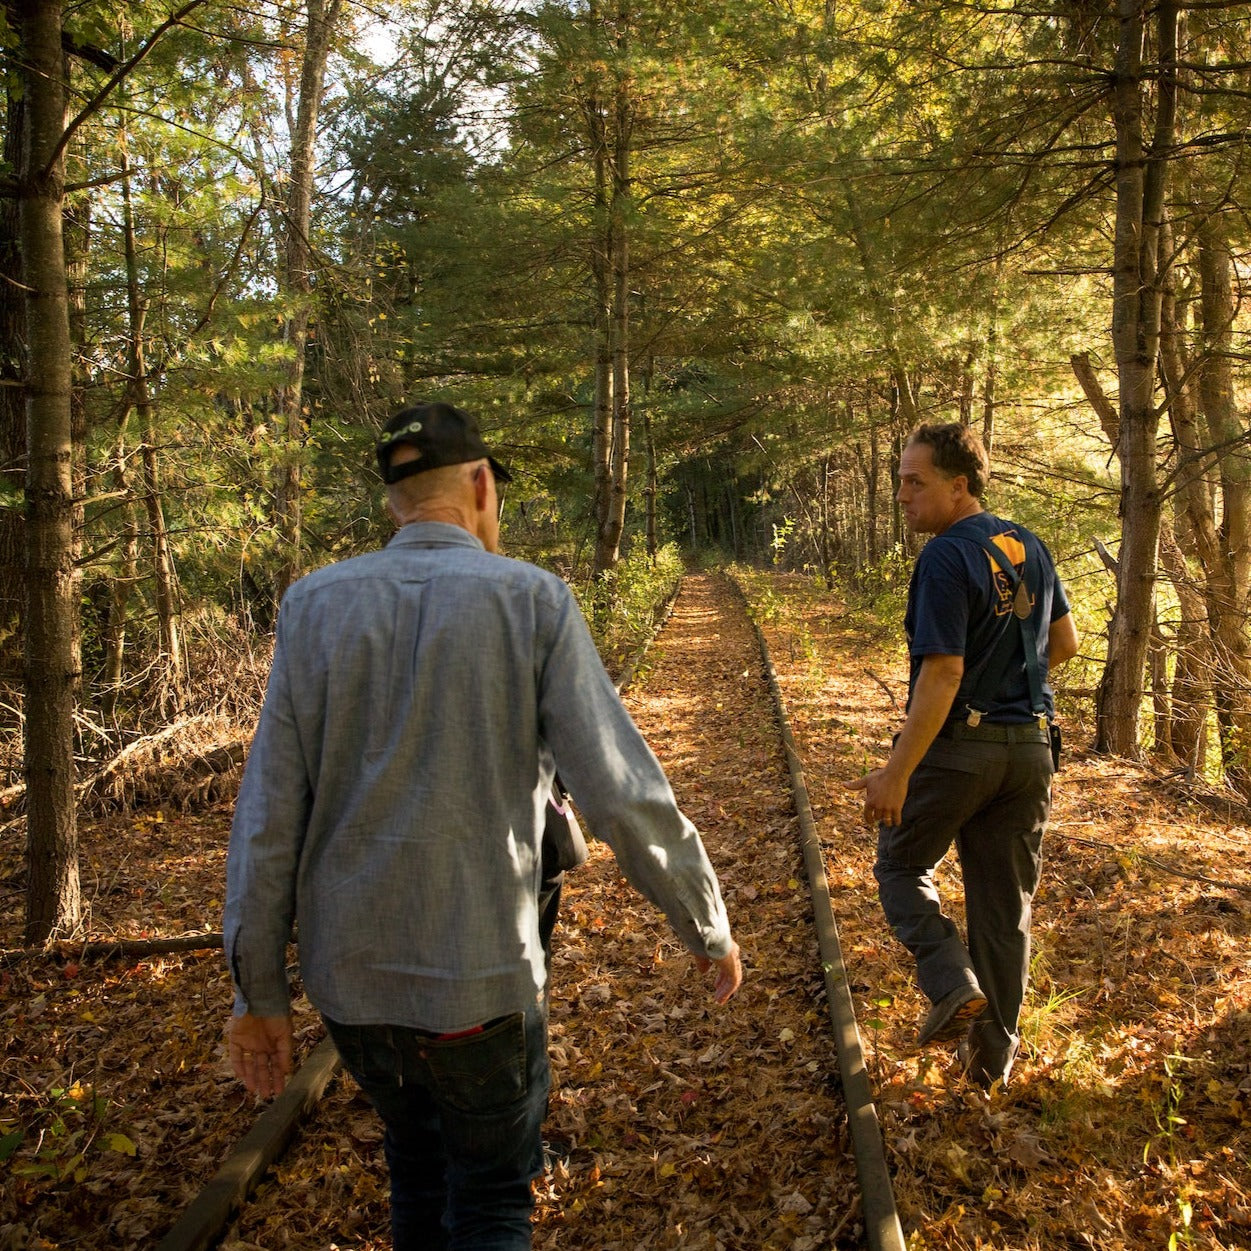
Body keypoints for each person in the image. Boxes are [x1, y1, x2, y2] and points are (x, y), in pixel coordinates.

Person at [222, 401, 742, 1250]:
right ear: (479, 483)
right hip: (482, 982)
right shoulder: (531, 600)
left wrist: (259, 993)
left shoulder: (312, 606)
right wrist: (704, 921)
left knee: (415, 1167)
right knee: (493, 1196)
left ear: (395, 502)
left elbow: (269, 815)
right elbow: (615, 790)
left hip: (354, 990)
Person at [846, 421, 1078, 1089]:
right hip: (1030, 750)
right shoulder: (1026, 544)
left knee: (899, 865)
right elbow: (1060, 643)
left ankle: (950, 982)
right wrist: (1007, 688)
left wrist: (896, 771)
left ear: (959, 485)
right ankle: (989, 1067)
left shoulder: (946, 556)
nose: (901, 494)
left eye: (913, 481)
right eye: (898, 480)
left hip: (959, 753)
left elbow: (941, 673)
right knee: (1003, 909)